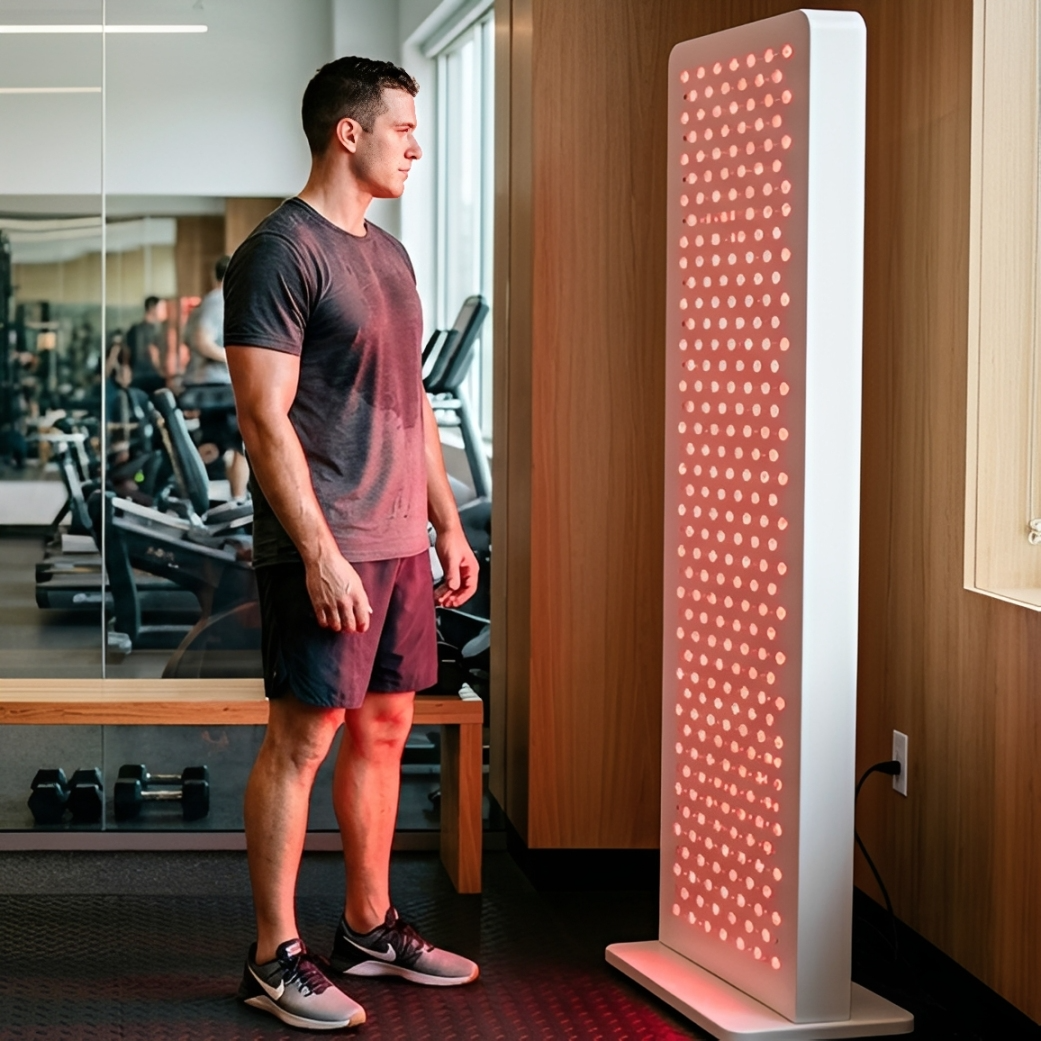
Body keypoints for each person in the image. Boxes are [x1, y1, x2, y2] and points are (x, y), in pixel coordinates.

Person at [224, 56, 480, 1032]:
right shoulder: (281, 251)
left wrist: (446, 524)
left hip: (399, 545)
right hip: (323, 547)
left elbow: (408, 406)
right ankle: (270, 956)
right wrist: (322, 552)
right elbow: (264, 418)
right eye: (403, 128)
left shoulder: (392, 255)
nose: (416, 145)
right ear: (348, 132)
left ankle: (368, 928)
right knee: (302, 743)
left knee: (384, 729)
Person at [183, 257, 249, 498]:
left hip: (205, 386)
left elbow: (187, 339)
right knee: (238, 446)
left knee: (216, 445)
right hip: (217, 387)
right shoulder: (218, 302)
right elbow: (201, 340)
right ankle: (237, 499)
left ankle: (233, 500)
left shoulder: (204, 304)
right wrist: (230, 357)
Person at [125, 296, 166, 395]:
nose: (163, 311)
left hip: (136, 377)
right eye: (160, 308)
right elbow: (152, 352)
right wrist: (160, 370)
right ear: (152, 308)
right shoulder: (154, 331)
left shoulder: (134, 329)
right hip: (151, 377)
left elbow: (127, 352)